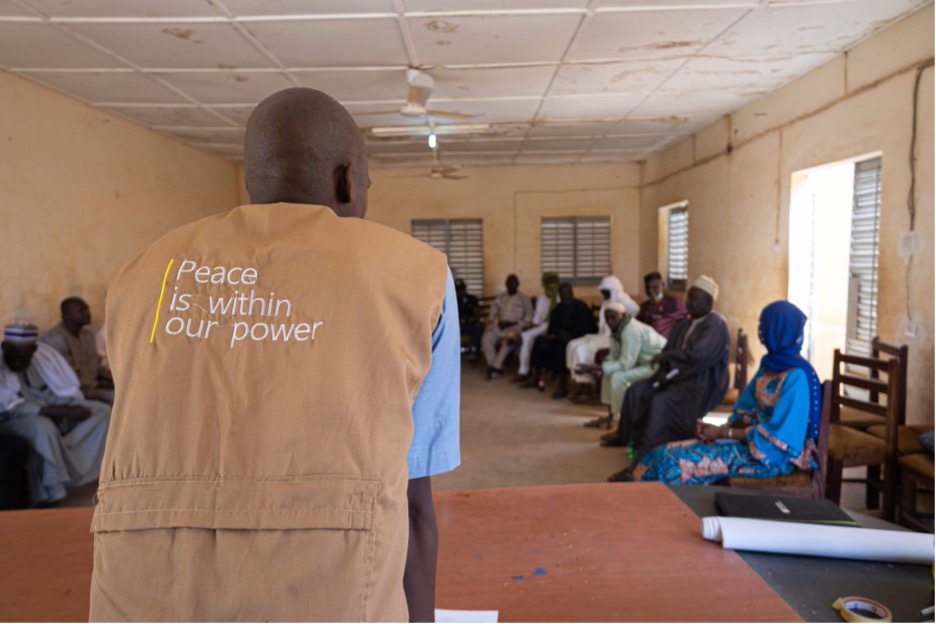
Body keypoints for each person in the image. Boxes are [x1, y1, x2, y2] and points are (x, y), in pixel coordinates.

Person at [89, 88, 461, 622]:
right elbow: (415, 497)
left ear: (252, 180)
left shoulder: (142, 272)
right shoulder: (415, 274)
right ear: (347, 179)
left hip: (139, 593)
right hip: (331, 594)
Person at [631, 301, 821, 484]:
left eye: (765, 326)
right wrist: (717, 430)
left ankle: (663, 510)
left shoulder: (797, 377)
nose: (760, 332)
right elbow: (746, 407)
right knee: (661, 453)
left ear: (780, 331)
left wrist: (724, 432)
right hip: (748, 443)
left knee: (673, 464)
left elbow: (779, 440)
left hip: (771, 459)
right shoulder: (770, 364)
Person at [602, 275, 730, 481]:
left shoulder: (715, 323)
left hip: (699, 382)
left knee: (661, 402)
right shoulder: (685, 324)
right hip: (676, 376)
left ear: (709, 302)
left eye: (695, 299)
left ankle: (641, 465)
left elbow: (698, 357)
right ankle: (629, 439)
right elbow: (668, 351)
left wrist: (669, 358)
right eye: (688, 298)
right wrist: (663, 371)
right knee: (637, 391)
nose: (689, 303)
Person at [0, 323, 110, 507]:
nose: (19, 363)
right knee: (43, 428)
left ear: (33, 350)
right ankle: (50, 492)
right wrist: (59, 411)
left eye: (24, 358)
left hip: (51, 407)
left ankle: (85, 477)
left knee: (102, 412)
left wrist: (66, 407)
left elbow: (56, 391)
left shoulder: (42, 359)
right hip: (13, 418)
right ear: (5, 348)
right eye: (15, 358)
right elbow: (9, 406)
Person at [576, 302, 667, 428]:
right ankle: (611, 416)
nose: (609, 321)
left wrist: (595, 367)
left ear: (623, 315)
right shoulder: (617, 329)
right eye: (607, 318)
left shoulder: (630, 329)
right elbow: (613, 356)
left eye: (613, 317)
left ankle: (619, 420)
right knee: (608, 373)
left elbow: (626, 363)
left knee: (618, 377)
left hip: (656, 365)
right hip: (641, 363)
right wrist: (601, 367)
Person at [566, 275, 639, 397]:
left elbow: (636, 312)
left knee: (582, 349)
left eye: (606, 292)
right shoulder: (607, 302)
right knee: (572, 344)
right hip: (603, 336)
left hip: (615, 338)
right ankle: (581, 383)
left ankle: (588, 389)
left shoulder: (624, 301)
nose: (603, 294)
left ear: (613, 291)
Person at [523, 283, 597, 398]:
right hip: (559, 338)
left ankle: (562, 386)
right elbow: (552, 327)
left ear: (571, 293)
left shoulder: (581, 307)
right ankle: (536, 377)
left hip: (577, 338)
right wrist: (556, 333)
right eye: (562, 294)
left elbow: (587, 328)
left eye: (567, 293)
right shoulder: (558, 309)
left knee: (561, 347)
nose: (565, 296)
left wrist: (570, 335)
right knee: (539, 341)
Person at [41, 297, 114, 404]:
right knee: (116, 397)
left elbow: (96, 365)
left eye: (87, 309)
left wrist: (112, 379)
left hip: (93, 384)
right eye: (81, 311)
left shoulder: (88, 335)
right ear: (67, 316)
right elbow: (67, 376)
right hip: (71, 390)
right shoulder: (56, 339)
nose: (87, 314)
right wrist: (98, 385)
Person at [481, 274, 533, 379]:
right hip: (499, 326)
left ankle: (494, 368)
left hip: (515, 327)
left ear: (518, 284)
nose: (511, 285)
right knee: (486, 339)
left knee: (509, 341)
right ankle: (496, 367)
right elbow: (492, 314)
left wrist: (516, 324)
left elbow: (529, 317)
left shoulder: (524, 299)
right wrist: (498, 321)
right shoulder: (500, 298)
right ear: (506, 284)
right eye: (509, 283)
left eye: (514, 283)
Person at [513, 271, 559, 383]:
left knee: (526, 336)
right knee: (527, 339)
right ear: (545, 283)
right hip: (541, 326)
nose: (552, 284)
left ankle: (529, 371)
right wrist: (530, 327)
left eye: (554, 282)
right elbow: (537, 319)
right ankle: (524, 371)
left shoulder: (559, 297)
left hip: (555, 327)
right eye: (549, 282)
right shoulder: (541, 298)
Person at [636, 272, 688, 339]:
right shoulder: (644, 306)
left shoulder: (674, 303)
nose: (650, 290)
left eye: (655, 287)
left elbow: (685, 320)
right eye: (648, 287)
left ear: (662, 285)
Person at [455, 278, 482, 363]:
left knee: (477, 327)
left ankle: (473, 349)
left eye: (461, 289)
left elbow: (477, 315)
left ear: (464, 289)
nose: (460, 292)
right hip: (456, 327)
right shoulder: (453, 300)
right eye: (458, 290)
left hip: (469, 325)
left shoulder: (472, 299)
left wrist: (470, 319)